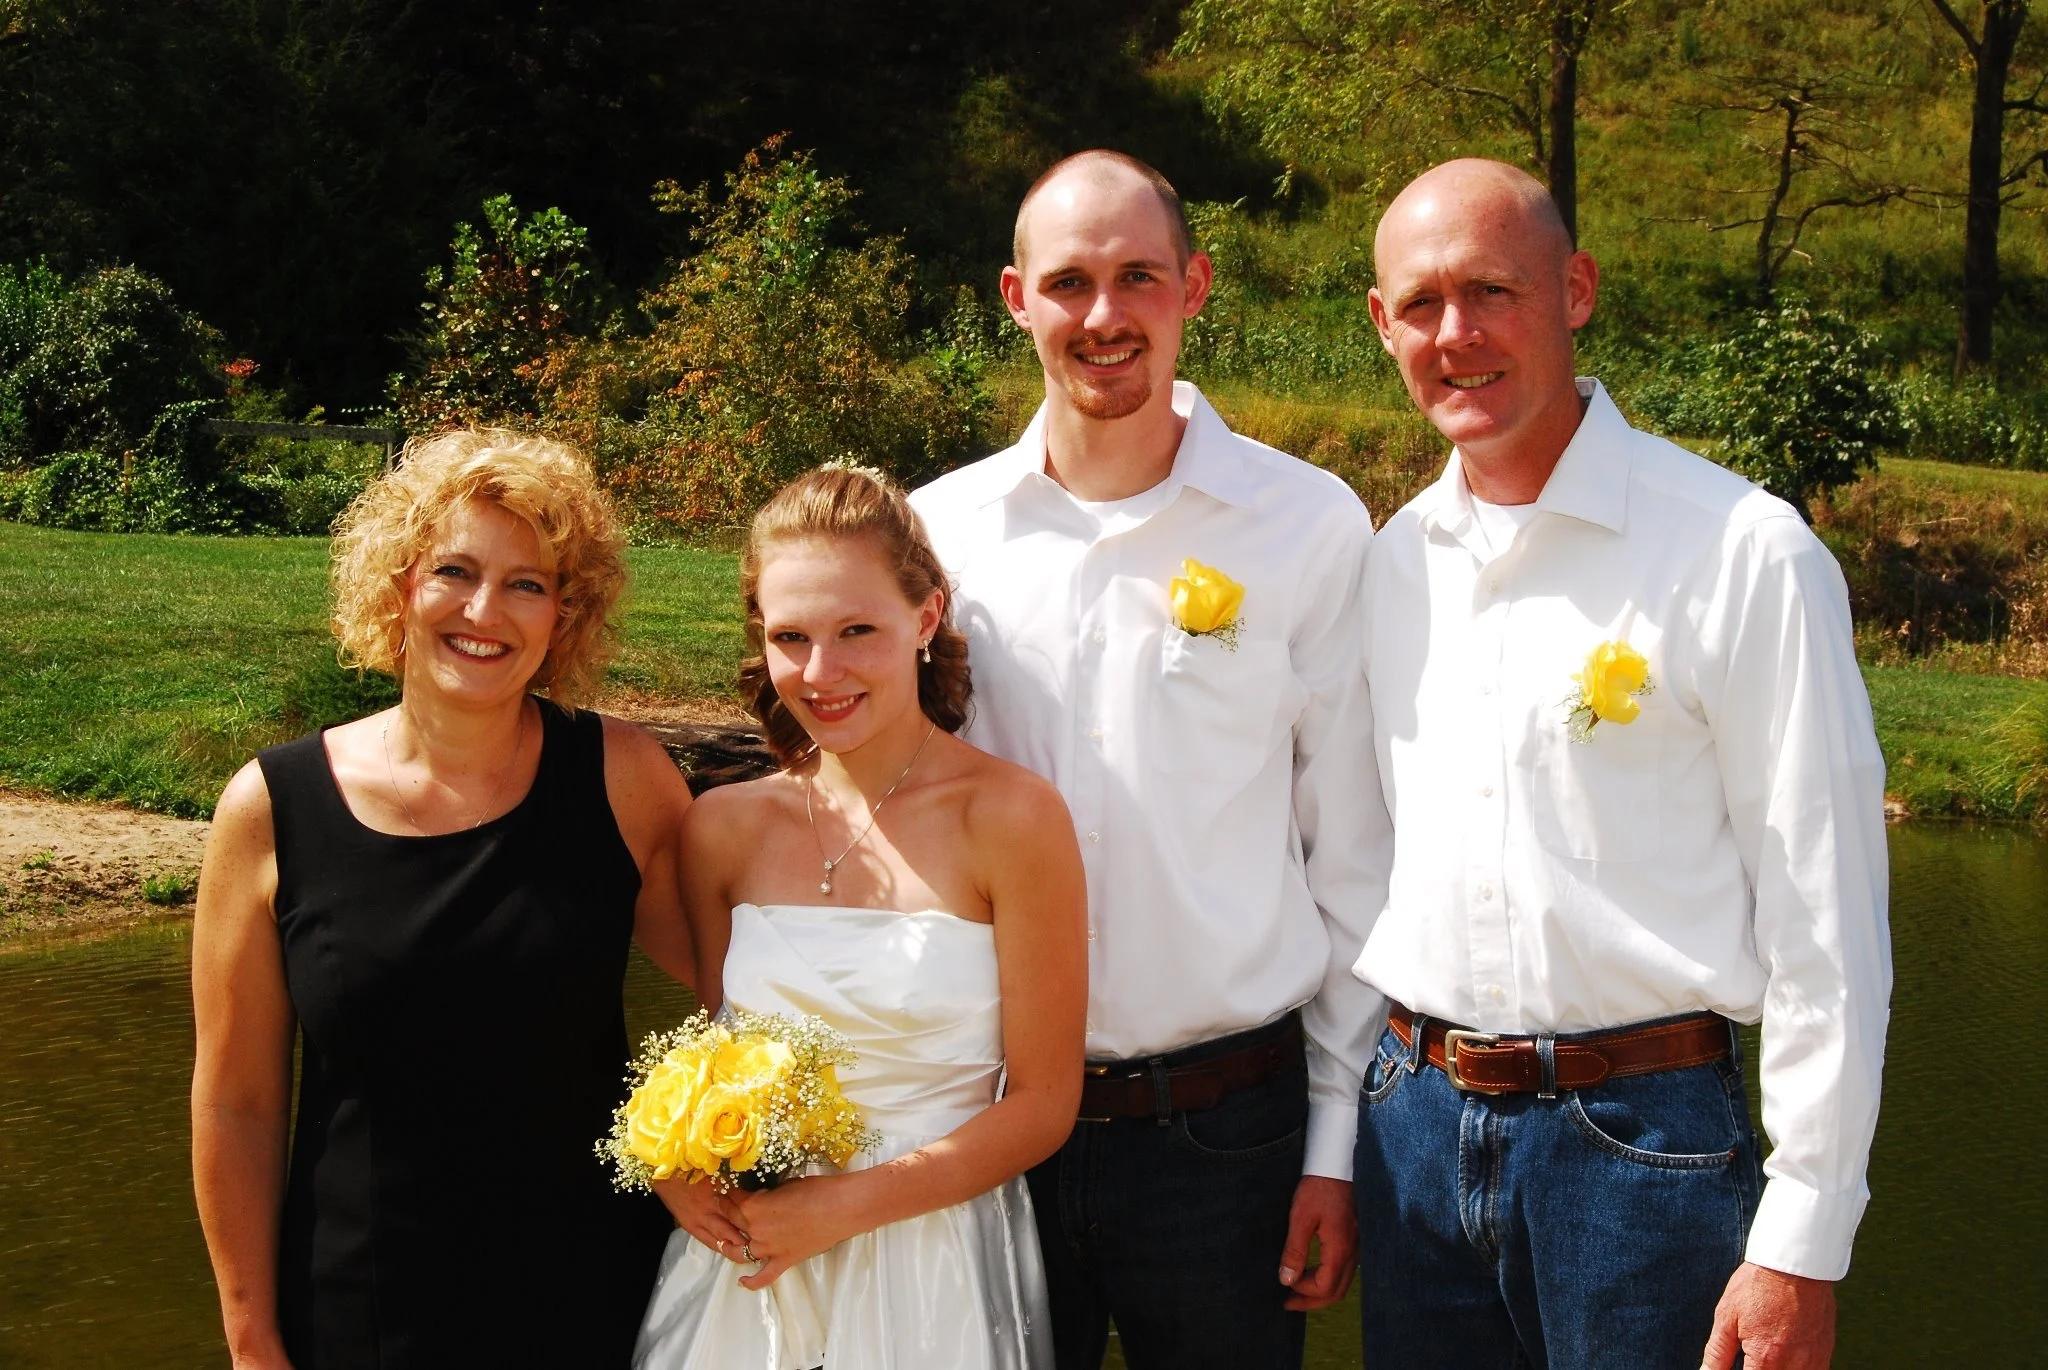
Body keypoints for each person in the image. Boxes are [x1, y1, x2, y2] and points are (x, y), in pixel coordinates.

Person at [1350, 157, 1891, 1370]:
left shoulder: (1742, 553)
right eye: (1420, 304)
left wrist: (1801, 1232)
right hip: (1414, 1132)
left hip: (1640, 1151)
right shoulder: (1389, 566)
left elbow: (1825, 916)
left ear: (1574, 289)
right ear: (1381, 325)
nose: (1456, 334)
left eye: (1490, 289)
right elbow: (1364, 866)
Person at [909, 151, 1389, 1370]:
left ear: (1195, 286)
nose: (1104, 315)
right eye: (1069, 282)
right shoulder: (931, 534)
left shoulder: (1308, 523)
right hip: (982, 1122)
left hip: (1226, 1138)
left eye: (1138, 277)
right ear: (1015, 298)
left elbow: (1352, 858)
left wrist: (1331, 1145)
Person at [190, 429, 696, 1369]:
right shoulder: (271, 808)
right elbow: (237, 1105)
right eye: (454, 571)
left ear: (564, 614)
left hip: (597, 1300)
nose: (484, 611)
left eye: (527, 583)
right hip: (362, 1308)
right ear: (397, 585)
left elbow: (741, 985)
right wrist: (252, 1337)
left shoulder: (623, 778)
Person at [633, 464, 1087, 1370]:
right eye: (790, 636)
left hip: (932, 1258)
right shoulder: (723, 826)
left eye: (856, 632)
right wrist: (676, 1167)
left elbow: (1042, 1105)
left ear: (925, 619)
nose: (820, 672)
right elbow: (709, 1051)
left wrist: (844, 1207)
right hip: (750, 1262)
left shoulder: (1012, 818)